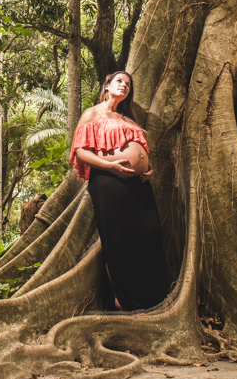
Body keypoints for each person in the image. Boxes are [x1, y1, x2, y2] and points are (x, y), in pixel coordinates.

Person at [69, 71, 166, 311]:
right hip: (108, 180)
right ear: (107, 85)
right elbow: (80, 151)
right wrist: (110, 167)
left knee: (150, 232)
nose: (124, 86)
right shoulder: (92, 113)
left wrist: (148, 167)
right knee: (118, 238)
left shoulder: (127, 119)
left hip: (138, 183)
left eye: (128, 84)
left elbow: (140, 152)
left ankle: (149, 297)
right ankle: (121, 299)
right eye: (119, 81)